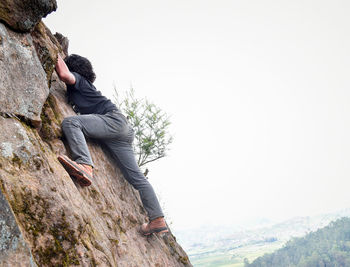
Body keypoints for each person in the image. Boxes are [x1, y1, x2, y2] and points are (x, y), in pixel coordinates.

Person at [55, 54, 168, 235]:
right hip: (121, 130)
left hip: (113, 122)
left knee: (71, 123)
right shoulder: (88, 86)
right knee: (136, 178)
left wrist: (57, 56)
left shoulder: (80, 81)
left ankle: (85, 165)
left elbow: (63, 74)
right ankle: (157, 219)